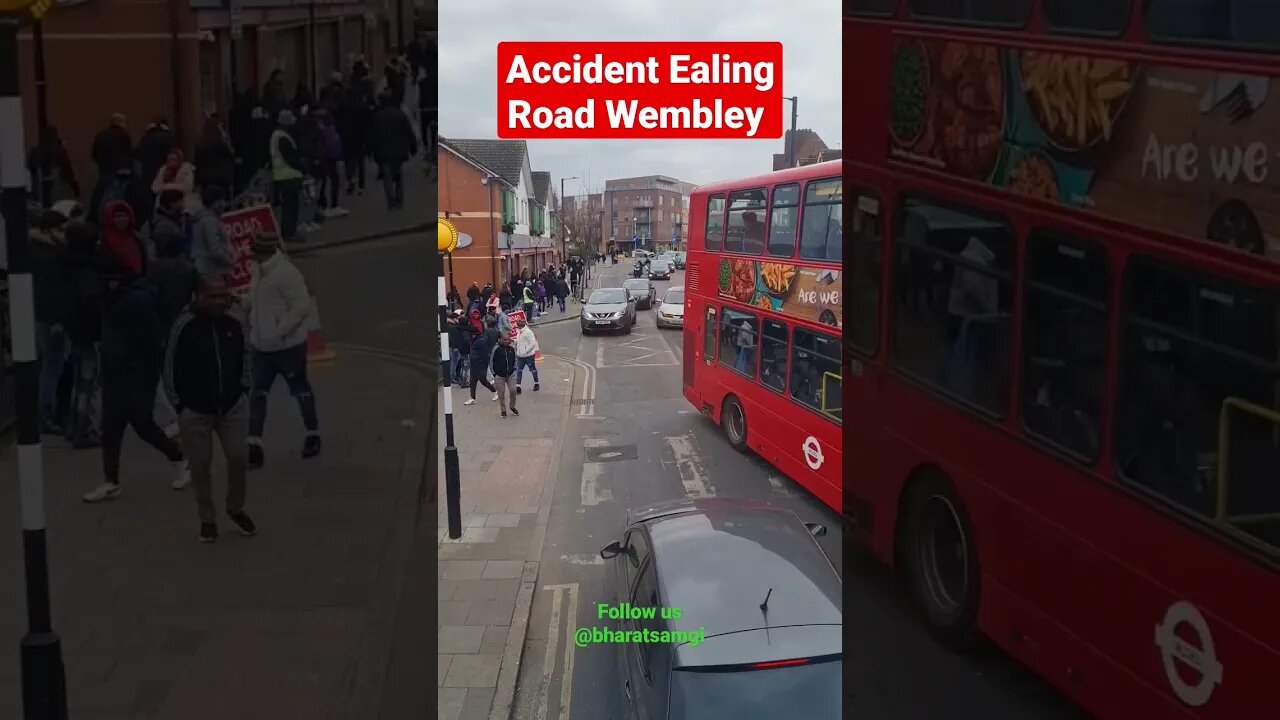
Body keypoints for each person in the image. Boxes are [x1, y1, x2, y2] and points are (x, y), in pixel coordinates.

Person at [82, 255, 189, 503]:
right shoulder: (114, 298)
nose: (108, 284)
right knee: (111, 428)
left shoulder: (136, 301)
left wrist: (138, 365)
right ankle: (111, 481)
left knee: (142, 423)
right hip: (114, 371)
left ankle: (179, 457)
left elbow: (151, 338)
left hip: (135, 372)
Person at [164, 277, 255, 543]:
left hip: (231, 407)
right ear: (199, 297)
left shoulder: (235, 323)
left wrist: (244, 389)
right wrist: (179, 404)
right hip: (195, 411)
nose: (219, 302)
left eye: (223, 296)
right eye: (212, 297)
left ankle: (236, 508)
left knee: (239, 457)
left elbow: (246, 355)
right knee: (201, 465)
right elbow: (169, 365)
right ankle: (207, 518)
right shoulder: (183, 326)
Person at [244, 233, 321, 467]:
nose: (250, 254)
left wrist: (279, 331)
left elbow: (301, 306)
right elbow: (255, 300)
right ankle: (254, 443)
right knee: (257, 394)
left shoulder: (286, 273)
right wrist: (240, 302)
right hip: (261, 348)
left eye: (253, 250)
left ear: (261, 251)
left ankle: (312, 434)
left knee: (300, 390)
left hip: (287, 348)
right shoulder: (259, 271)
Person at [148, 219, 198, 438]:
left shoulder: (154, 270)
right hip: (183, 321)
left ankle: (172, 410)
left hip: (160, 324)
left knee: (163, 369)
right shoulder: (189, 268)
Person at [31, 209, 73, 433]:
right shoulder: (55, 254)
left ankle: (47, 411)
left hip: (42, 315)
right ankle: (46, 413)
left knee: (48, 364)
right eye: (62, 230)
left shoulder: (35, 251)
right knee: (52, 367)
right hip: (54, 317)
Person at [63, 221, 104, 448]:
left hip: (75, 329)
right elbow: (91, 301)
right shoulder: (88, 270)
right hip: (90, 330)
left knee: (80, 380)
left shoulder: (66, 264)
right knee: (90, 382)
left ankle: (75, 425)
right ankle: (85, 429)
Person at [370, 91, 418, 210]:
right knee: (398, 176)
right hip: (399, 151)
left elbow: (372, 135)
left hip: (383, 152)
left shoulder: (377, 116)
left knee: (387, 177)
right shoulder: (399, 114)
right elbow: (408, 131)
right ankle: (400, 200)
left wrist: (371, 150)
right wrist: (413, 146)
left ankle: (391, 201)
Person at [270, 110, 306, 242]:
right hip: (288, 176)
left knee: (289, 206)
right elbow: (291, 157)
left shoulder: (277, 135)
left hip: (282, 176)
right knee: (291, 206)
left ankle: (288, 231)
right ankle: (289, 232)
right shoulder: (282, 137)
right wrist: (303, 168)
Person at [190, 184, 235, 281]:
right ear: (216, 202)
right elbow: (214, 248)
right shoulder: (209, 221)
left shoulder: (203, 218)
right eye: (222, 200)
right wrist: (230, 261)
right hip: (210, 270)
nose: (224, 204)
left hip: (205, 267)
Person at [27, 125, 80, 204]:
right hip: (58, 194)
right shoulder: (60, 152)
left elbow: (31, 169)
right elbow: (68, 173)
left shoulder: (34, 152)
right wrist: (75, 187)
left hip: (39, 193)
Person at [100, 200, 148, 275]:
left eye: (125, 216)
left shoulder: (136, 238)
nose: (122, 219)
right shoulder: (103, 241)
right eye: (117, 216)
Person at [194, 115, 236, 197]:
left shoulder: (201, 145)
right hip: (223, 180)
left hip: (206, 180)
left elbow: (197, 164)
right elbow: (231, 159)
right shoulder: (222, 145)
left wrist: (197, 182)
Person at [315, 110, 346, 218]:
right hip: (330, 157)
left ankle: (328, 206)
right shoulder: (330, 129)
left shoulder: (321, 129)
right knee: (330, 182)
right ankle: (330, 206)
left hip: (326, 157)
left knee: (327, 182)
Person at [464, 318, 499, 406]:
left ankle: (494, 391)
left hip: (480, 363)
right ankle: (472, 398)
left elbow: (484, 354)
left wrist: (482, 363)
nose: (469, 337)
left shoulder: (480, 341)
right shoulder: (475, 340)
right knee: (473, 381)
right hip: (474, 362)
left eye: (470, 335)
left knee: (482, 380)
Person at [135, 117, 175, 190]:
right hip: (163, 169)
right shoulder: (168, 137)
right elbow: (172, 154)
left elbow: (138, 153)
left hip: (148, 170)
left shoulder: (146, 137)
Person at [150, 149, 196, 214]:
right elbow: (154, 188)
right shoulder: (164, 169)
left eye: (174, 160)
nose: (172, 162)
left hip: (181, 203)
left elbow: (188, 188)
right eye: (170, 160)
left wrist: (167, 186)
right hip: (165, 203)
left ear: (180, 160)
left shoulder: (186, 169)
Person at [490, 332, 519, 418]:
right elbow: (491, 361)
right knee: (501, 394)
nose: (506, 341)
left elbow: (515, 359)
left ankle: (512, 407)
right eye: (504, 340)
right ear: (501, 340)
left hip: (511, 374)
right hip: (499, 376)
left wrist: (514, 368)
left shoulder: (512, 348)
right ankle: (503, 410)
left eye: (508, 339)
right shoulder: (496, 349)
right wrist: (494, 373)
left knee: (513, 390)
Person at [513, 317, 540, 394]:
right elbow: (519, 341)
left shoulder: (528, 332)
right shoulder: (519, 332)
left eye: (517, 326)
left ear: (521, 326)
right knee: (519, 370)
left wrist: (526, 351)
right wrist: (514, 341)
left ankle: (536, 383)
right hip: (520, 356)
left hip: (528, 356)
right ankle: (518, 386)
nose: (517, 327)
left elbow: (533, 343)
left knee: (532, 369)